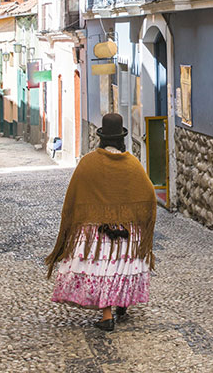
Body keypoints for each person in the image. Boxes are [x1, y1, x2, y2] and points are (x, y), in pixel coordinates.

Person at [46, 113, 156, 332]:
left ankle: (107, 316)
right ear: (121, 138)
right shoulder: (132, 165)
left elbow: (74, 195)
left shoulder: (88, 163)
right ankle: (122, 303)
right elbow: (149, 194)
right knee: (122, 266)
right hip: (126, 231)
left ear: (102, 137)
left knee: (104, 269)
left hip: (96, 234)